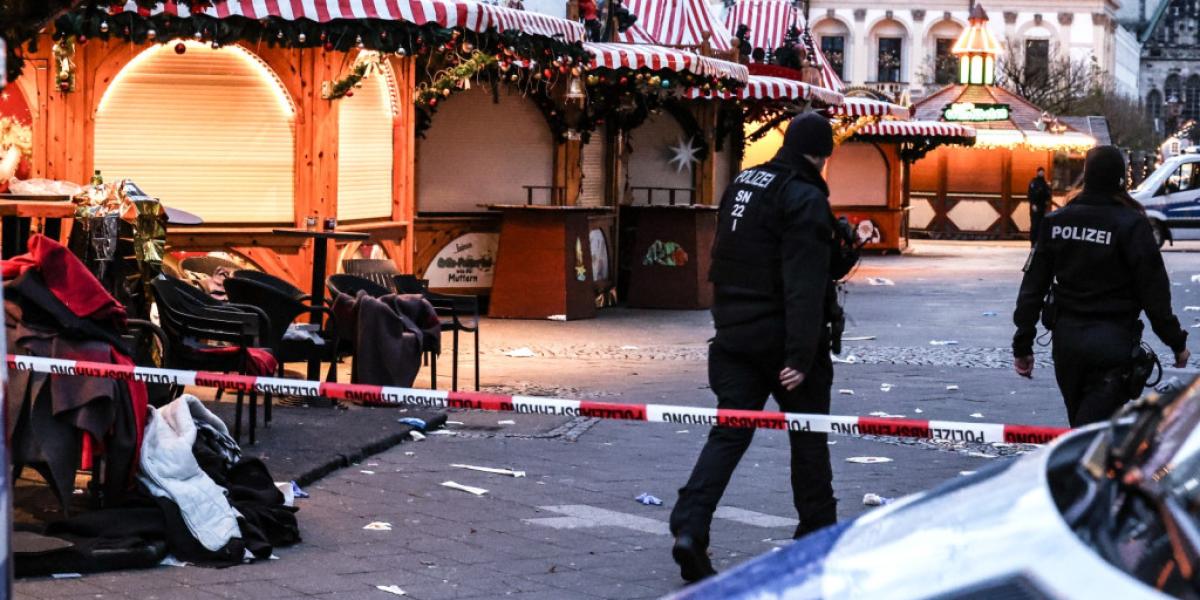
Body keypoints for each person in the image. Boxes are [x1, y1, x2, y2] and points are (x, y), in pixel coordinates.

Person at [669, 113, 849, 582]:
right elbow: (805, 284)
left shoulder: (745, 181)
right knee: (808, 437)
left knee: (729, 433)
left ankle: (690, 526)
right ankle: (817, 537)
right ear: (821, 155)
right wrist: (800, 356)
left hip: (733, 335)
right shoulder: (804, 196)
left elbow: (729, 254)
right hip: (782, 339)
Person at [1012, 146, 1190, 427]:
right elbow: (1154, 293)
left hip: (1067, 342)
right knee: (1091, 432)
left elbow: (1032, 288)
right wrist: (1176, 342)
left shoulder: (1056, 222)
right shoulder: (1132, 224)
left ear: (1087, 175)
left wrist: (1023, 343)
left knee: (1081, 426)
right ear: (1120, 179)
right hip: (1114, 344)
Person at [1027, 167, 1052, 245]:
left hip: (1042, 206)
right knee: (1035, 224)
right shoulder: (1033, 182)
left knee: (1042, 224)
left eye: (1042, 172)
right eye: (1040, 172)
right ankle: (1033, 241)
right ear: (1037, 172)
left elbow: (1048, 194)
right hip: (1035, 206)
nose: (1041, 173)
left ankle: (1039, 241)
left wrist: (1047, 202)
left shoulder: (1045, 183)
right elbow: (1030, 194)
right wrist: (1033, 204)